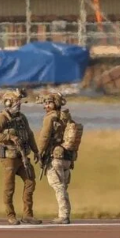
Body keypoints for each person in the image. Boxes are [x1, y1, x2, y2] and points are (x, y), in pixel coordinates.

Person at [0, 88, 40, 224]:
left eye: (20, 102)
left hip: (22, 156)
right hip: (9, 158)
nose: (19, 105)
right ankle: (10, 215)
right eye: (16, 102)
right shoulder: (1, 118)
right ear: (8, 103)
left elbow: (29, 134)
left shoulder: (22, 118)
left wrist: (36, 151)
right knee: (9, 187)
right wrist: (9, 137)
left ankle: (28, 215)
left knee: (30, 182)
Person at [36, 92, 82, 224]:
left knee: (58, 186)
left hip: (55, 157)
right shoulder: (66, 117)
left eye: (47, 103)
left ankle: (64, 215)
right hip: (67, 157)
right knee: (62, 186)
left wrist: (39, 153)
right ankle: (64, 214)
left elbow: (44, 137)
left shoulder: (50, 118)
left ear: (53, 104)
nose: (45, 106)